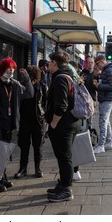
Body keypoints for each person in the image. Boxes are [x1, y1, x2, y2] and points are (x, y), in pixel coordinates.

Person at [0, 58, 34, 193]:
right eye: (9, 68)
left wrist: (27, 78)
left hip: (9, 125)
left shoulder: (15, 85)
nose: (11, 70)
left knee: (4, 153)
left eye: (13, 68)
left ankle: (1, 177)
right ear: (2, 69)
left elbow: (30, 93)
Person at [45, 51, 80, 202]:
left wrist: (53, 123)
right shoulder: (69, 76)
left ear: (54, 63)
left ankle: (66, 190)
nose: (48, 65)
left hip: (63, 125)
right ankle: (63, 184)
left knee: (64, 157)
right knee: (64, 156)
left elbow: (61, 106)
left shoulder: (60, 80)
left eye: (49, 62)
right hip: (70, 122)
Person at [14, 65, 47, 179]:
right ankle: (23, 169)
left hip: (38, 120)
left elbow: (45, 103)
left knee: (38, 146)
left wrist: (45, 117)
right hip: (24, 120)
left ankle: (38, 168)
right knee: (24, 146)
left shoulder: (42, 86)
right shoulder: (22, 86)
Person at [93, 55, 112, 154]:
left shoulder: (109, 70)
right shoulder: (107, 70)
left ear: (102, 62)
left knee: (102, 122)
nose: (96, 66)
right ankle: (108, 143)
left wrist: (99, 85)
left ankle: (101, 146)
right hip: (106, 98)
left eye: (97, 64)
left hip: (107, 99)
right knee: (106, 121)